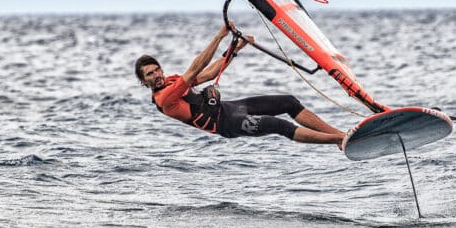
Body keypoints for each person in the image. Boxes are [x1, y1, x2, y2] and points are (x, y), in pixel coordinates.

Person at [135, 25, 345, 146]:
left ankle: (339, 136)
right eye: (150, 75)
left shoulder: (171, 80)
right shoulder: (164, 99)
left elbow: (209, 72)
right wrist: (220, 36)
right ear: (144, 81)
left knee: (288, 102)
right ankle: (340, 139)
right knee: (277, 125)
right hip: (228, 124)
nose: (156, 75)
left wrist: (235, 49)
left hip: (231, 107)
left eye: (156, 70)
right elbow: (196, 68)